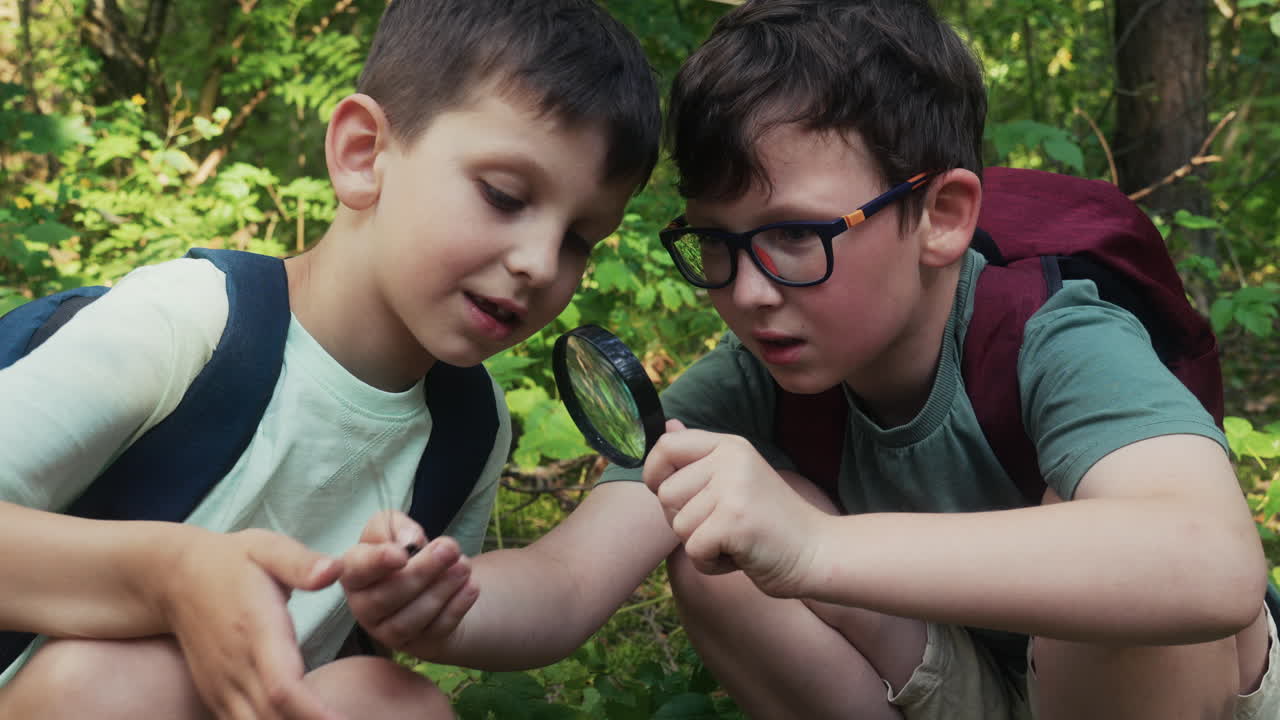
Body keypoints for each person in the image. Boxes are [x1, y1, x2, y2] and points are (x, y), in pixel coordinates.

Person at [340, 1, 1276, 718]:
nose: (747, 292)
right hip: (968, 683)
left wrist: (817, 547)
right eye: (716, 242)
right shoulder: (754, 380)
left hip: (1168, 689)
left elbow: (1208, 565)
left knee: (1105, 550)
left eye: (794, 236)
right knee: (711, 543)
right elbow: (569, 583)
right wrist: (445, 604)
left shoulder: (1051, 335)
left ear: (942, 216)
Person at [0, 0, 660, 717]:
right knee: (134, 680)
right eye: (504, 196)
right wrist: (169, 577)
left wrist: (412, 602)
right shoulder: (197, 320)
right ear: (362, 153)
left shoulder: (471, 428)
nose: (539, 263)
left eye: (578, 240)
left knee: (391, 702)